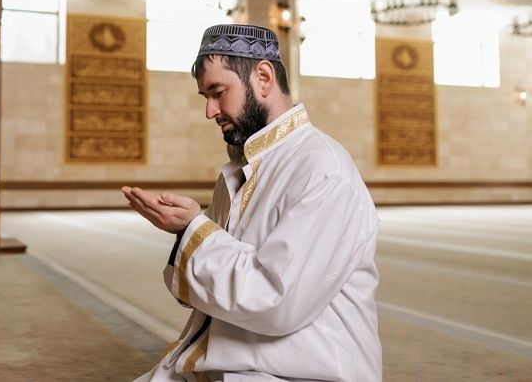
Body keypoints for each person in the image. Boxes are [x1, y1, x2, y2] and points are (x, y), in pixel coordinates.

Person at [122, 24, 382, 381]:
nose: (210, 111)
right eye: (205, 97)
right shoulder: (239, 169)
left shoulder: (322, 170)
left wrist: (194, 230)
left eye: (218, 92)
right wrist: (188, 233)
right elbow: (208, 284)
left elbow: (277, 300)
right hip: (232, 362)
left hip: (302, 371)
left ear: (263, 77)